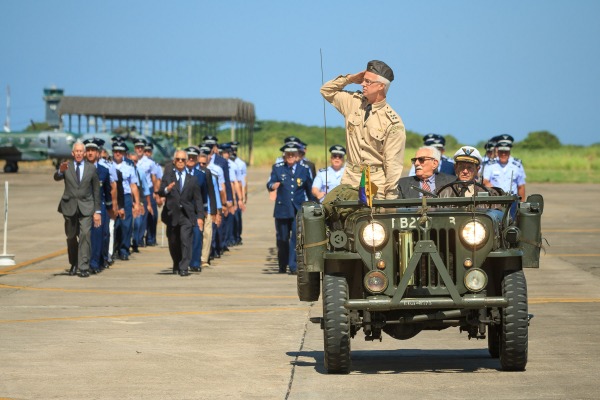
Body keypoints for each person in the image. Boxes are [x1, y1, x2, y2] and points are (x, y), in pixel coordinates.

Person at [321, 60, 406, 199]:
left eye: (368, 81)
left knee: (372, 221)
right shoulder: (353, 102)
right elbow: (326, 90)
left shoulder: (393, 122)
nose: (362, 84)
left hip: (375, 182)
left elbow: (393, 164)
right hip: (350, 179)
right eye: (363, 80)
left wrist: (390, 197)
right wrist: (350, 79)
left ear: (380, 86)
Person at [54, 141, 101, 278]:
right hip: (69, 206)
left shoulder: (91, 168)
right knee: (70, 237)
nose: (79, 153)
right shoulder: (66, 166)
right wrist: (60, 171)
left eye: (81, 151)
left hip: (86, 206)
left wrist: (97, 211)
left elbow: (96, 191)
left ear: (84, 153)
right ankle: (73, 263)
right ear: (73, 153)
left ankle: (83, 266)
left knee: (85, 234)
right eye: (77, 151)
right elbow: (56, 177)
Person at [266, 143, 314, 274]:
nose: (291, 156)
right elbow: (270, 182)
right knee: (282, 238)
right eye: (288, 154)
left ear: (298, 156)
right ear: (284, 156)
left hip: (297, 209)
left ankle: (293, 266)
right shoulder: (277, 168)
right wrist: (272, 186)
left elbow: (309, 189)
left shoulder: (304, 169)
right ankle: (283, 264)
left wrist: (313, 205)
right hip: (282, 210)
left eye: (293, 154)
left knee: (296, 238)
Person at [158, 150, 205, 277]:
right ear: (174, 161)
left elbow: (198, 199)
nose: (180, 162)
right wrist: (168, 189)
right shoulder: (168, 176)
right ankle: (176, 262)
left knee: (186, 241)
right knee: (173, 242)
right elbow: (160, 191)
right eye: (178, 159)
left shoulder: (192, 179)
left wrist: (200, 217)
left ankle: (184, 266)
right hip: (172, 214)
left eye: (183, 160)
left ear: (186, 161)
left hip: (187, 215)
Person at [83, 138, 113, 274]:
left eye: (92, 151)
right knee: (85, 236)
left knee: (99, 235)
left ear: (98, 153)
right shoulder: (80, 169)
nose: (90, 153)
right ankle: (86, 262)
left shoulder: (103, 171)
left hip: (99, 207)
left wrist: (110, 209)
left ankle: (95, 262)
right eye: (87, 150)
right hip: (84, 206)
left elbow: (107, 192)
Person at [482, 138, 526, 218]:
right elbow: (485, 182)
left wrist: (522, 203)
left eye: (506, 152)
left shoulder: (516, 166)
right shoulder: (490, 166)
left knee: (513, 222)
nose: (503, 154)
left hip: (512, 200)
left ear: (509, 152)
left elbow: (521, 186)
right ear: (497, 152)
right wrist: (498, 192)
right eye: (501, 152)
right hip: (496, 200)